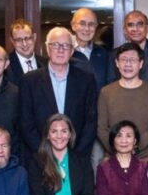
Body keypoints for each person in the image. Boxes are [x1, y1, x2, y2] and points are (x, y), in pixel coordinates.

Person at [19, 27, 98, 159]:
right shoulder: (29, 81)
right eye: (55, 45)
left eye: (66, 46)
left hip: (76, 157)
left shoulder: (86, 80)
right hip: (41, 157)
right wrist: (45, 153)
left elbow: (91, 122)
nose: (60, 50)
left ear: (72, 50)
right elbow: (26, 123)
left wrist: (76, 154)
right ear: (47, 48)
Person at [97, 43, 148, 160]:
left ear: (141, 64)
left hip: (144, 158)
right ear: (117, 63)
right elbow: (101, 128)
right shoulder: (106, 92)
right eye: (123, 59)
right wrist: (116, 149)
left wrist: (134, 147)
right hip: (113, 158)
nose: (128, 64)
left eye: (132, 60)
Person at [70, 7, 111, 91]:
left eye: (91, 24)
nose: (87, 28)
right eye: (82, 23)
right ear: (73, 26)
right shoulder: (65, 53)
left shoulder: (103, 53)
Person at [6, 19, 45, 87]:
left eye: (27, 38)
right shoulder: (5, 66)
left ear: (34, 37)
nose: (24, 44)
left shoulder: (47, 64)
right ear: (12, 41)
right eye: (19, 40)